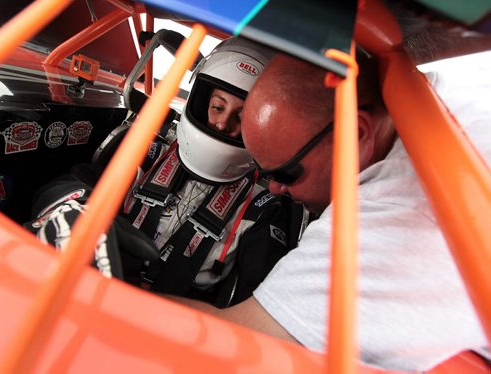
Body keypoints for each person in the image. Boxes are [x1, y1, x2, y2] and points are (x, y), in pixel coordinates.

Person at [165, 49, 490, 371]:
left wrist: (114, 286)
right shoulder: (446, 92)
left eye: (284, 174)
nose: (275, 189)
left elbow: (236, 346)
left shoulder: (386, 223)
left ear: (354, 136)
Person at [25, 37, 308, 308]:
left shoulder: (262, 207)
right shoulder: (144, 151)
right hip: (89, 290)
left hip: (174, 326)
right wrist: (73, 210)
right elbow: (70, 184)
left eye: (242, 116)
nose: (222, 125)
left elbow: (253, 302)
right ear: (199, 102)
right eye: (217, 107)